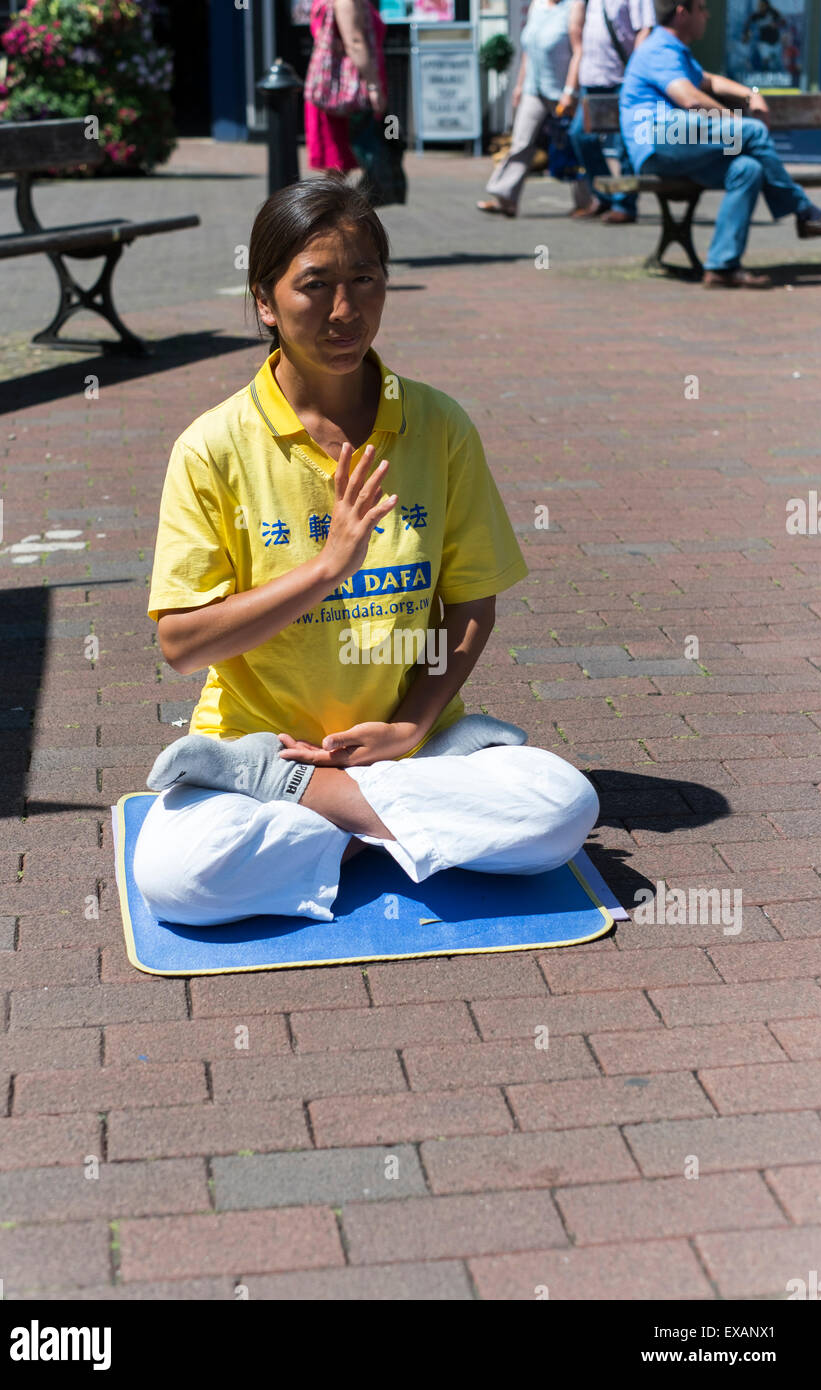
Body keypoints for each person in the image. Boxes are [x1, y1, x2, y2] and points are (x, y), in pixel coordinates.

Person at [133, 178, 600, 926]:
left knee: (565, 807)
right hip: (261, 744)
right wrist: (324, 571)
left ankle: (336, 814)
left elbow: (473, 603)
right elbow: (183, 644)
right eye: (315, 285)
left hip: (408, 744)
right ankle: (348, 805)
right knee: (177, 879)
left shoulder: (439, 424)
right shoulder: (212, 447)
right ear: (265, 300)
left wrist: (413, 726)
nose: (345, 311)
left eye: (365, 282)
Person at [619, 0, 821, 288]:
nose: (707, 15)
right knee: (751, 132)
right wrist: (735, 122)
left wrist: (751, 94)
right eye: (702, 8)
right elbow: (690, 98)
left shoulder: (676, 51)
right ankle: (805, 212)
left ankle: (721, 267)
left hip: (681, 147)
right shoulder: (658, 49)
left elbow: (710, 82)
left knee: (747, 169)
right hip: (659, 139)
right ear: (682, 13)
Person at [477, 0, 585, 218]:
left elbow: (578, 50)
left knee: (574, 143)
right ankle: (506, 197)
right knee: (521, 141)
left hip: (561, 89)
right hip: (533, 87)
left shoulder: (574, 6)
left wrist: (570, 90)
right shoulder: (537, 5)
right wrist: (519, 85)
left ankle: (588, 201)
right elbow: (528, 50)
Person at [568, 0, 656, 222]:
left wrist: (636, 72)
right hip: (592, 78)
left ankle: (624, 205)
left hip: (621, 79)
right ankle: (604, 195)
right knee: (579, 135)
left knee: (623, 145)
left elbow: (645, 29)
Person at [305, 0, 387, 175]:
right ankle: (328, 203)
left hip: (336, 90)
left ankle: (335, 201)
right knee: (338, 168)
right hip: (345, 94)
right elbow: (355, 43)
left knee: (338, 170)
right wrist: (374, 86)